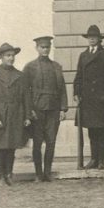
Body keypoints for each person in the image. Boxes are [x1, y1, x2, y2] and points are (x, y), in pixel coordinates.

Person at [0, 43, 32, 186]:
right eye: (7, 56)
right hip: (0, 115)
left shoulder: (20, 76)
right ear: (1, 57)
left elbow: (26, 97)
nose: (11, 58)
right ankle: (1, 176)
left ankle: (9, 175)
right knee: (0, 148)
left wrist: (27, 116)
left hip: (15, 115)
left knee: (11, 147)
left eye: (12, 55)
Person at [74, 25, 104, 170]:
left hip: (102, 99)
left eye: (94, 37)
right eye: (89, 37)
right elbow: (78, 76)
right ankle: (93, 158)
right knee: (91, 130)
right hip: (87, 99)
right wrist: (76, 92)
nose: (91, 40)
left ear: (99, 39)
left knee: (101, 129)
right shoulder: (83, 55)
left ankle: (101, 160)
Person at [24, 36, 67, 181]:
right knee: (37, 142)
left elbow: (62, 89)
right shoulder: (30, 67)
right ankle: (38, 173)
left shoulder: (56, 66)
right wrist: (29, 110)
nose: (45, 50)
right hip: (37, 110)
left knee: (51, 141)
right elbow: (25, 91)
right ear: (37, 48)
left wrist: (63, 109)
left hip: (53, 109)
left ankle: (47, 172)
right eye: (42, 47)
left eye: (47, 47)